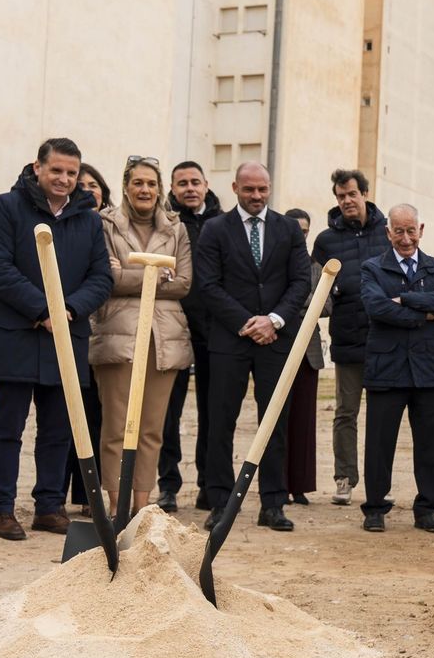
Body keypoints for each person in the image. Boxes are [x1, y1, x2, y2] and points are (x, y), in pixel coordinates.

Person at [0, 138, 112, 541]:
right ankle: (1, 508)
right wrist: (42, 308)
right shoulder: (6, 207)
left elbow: (101, 277)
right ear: (37, 167)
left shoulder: (89, 220)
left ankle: (49, 506)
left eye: (72, 173)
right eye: (57, 170)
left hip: (67, 336)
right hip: (16, 334)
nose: (64, 179)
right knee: (8, 427)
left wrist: (67, 310)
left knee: (58, 429)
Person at [193, 161, 309, 531]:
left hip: (275, 340)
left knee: (273, 422)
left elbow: (301, 281)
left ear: (270, 187)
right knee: (219, 421)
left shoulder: (289, 229)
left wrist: (273, 320)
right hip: (230, 340)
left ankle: (273, 503)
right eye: (249, 190)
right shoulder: (214, 230)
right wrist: (247, 322)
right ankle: (220, 502)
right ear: (235, 188)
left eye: (262, 189)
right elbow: (208, 285)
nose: (256, 196)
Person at [90, 156, 191, 517]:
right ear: (126, 187)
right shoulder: (105, 224)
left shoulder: (176, 228)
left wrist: (131, 272)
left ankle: (142, 510)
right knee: (117, 426)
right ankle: (118, 509)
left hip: (164, 340)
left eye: (151, 183)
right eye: (138, 183)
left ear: (159, 188)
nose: (145, 190)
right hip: (119, 335)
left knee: (151, 429)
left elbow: (183, 283)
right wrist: (157, 273)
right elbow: (106, 278)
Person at [358, 203, 434, 533]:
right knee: (379, 443)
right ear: (388, 232)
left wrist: (404, 299)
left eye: (410, 230)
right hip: (387, 368)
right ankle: (374, 507)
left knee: (430, 443)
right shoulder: (372, 268)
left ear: (421, 230)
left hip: (429, 368)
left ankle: (427, 508)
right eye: (398, 231)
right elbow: (375, 307)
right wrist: (425, 313)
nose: (405, 238)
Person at [310, 169, 389, 506]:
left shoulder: (387, 233)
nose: (346, 201)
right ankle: (344, 478)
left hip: (385, 339)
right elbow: (317, 291)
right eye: (340, 196)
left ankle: (378, 482)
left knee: (382, 413)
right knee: (345, 413)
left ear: (365, 194)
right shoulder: (326, 241)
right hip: (346, 339)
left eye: (351, 194)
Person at [156, 160, 222, 512]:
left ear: (206, 184)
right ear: (172, 187)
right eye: (182, 183)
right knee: (169, 411)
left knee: (212, 411)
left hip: (214, 329)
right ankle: (168, 485)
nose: (190, 188)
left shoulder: (223, 223)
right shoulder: (163, 223)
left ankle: (208, 484)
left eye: (195, 181)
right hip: (174, 325)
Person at [65, 164, 111, 515]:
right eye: (82, 185)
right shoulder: (68, 223)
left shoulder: (111, 224)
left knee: (96, 418)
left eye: (93, 184)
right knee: (69, 418)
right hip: (75, 327)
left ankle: (87, 495)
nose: (87, 190)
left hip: (108, 333)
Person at [283, 208, 325, 506]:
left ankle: (299, 486)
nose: (301, 233)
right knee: (277, 421)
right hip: (278, 349)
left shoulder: (318, 268)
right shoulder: (275, 264)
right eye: (296, 228)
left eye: (305, 229)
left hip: (308, 353)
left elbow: (328, 305)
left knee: (303, 422)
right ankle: (275, 485)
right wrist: (305, 301)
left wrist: (292, 303)